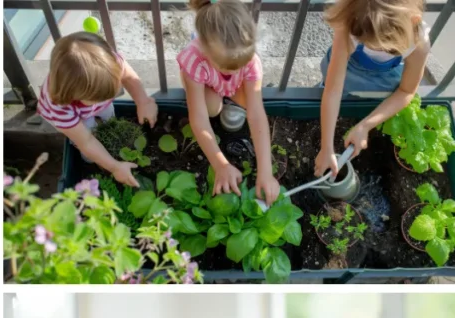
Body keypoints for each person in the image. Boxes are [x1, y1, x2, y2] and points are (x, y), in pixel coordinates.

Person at [177, 0, 280, 205]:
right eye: (227, 68)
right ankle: (222, 100)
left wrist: (266, 172)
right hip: (207, 84)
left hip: (229, 85)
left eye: (239, 66)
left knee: (249, 101)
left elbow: (257, 115)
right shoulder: (195, 60)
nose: (234, 71)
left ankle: (231, 101)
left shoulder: (249, 61)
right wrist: (220, 164)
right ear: (206, 51)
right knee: (211, 109)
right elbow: (198, 119)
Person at [316, 0, 430, 178]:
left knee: (371, 104)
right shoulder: (350, 24)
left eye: (389, 49)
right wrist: (326, 147)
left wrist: (365, 125)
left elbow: (406, 91)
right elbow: (332, 90)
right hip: (347, 71)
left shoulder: (419, 42)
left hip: (384, 79)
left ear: (413, 21)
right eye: (366, 43)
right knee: (327, 91)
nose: (377, 50)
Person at [36, 31, 158, 188]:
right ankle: (93, 161)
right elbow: (86, 142)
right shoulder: (59, 107)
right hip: (77, 117)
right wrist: (114, 167)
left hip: (87, 105)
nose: (105, 98)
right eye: (98, 97)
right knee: (88, 138)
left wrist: (143, 101)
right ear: (73, 94)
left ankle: (110, 129)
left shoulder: (109, 63)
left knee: (109, 115)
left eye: (110, 93)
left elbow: (128, 76)